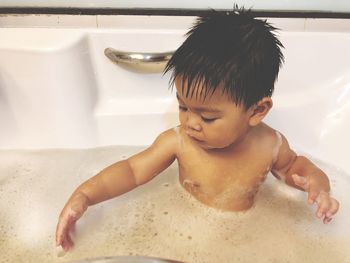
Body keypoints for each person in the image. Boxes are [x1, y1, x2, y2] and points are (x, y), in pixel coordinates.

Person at [56, 8, 339, 252]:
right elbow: (131, 171)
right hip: (185, 229)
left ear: (257, 111)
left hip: (248, 236)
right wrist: (86, 195)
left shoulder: (270, 144)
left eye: (208, 117)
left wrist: (318, 186)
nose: (190, 122)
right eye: (183, 107)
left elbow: (294, 168)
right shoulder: (178, 142)